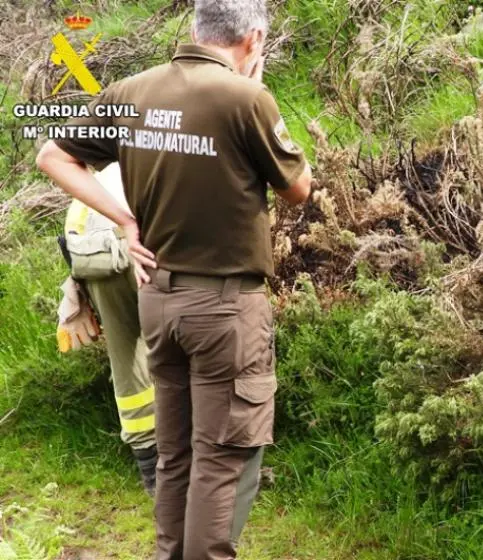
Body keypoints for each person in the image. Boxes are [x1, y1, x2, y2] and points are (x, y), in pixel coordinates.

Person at [36, 0, 312, 557]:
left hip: (158, 302)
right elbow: (298, 187)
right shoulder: (246, 98)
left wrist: (124, 219)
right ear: (254, 38)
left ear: (196, 29)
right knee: (222, 458)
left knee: (176, 455)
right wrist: (252, 86)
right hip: (226, 310)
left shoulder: (132, 92)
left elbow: (52, 156)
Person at [56, 162, 158, 496]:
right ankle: (216, 460)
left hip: (90, 253)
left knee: (127, 357)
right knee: (189, 344)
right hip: (138, 240)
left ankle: (152, 472)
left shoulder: (94, 178)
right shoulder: (151, 154)